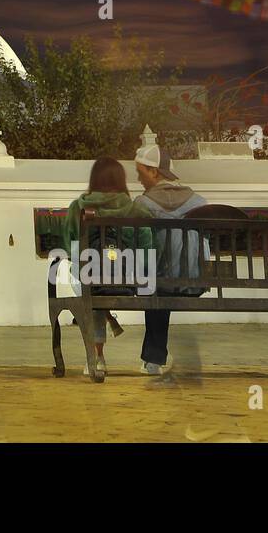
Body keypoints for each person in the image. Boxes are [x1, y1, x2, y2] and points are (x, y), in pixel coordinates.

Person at [59, 156, 153, 375]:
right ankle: (107, 315)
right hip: (130, 280)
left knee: (89, 286)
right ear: (121, 180)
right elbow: (148, 244)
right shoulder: (134, 209)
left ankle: (98, 357)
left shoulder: (77, 207)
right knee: (100, 282)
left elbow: (67, 245)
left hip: (88, 280)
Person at [132, 144, 210, 375]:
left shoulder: (142, 204)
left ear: (154, 172)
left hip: (160, 283)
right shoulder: (199, 202)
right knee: (158, 283)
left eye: (141, 172)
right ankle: (152, 359)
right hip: (193, 281)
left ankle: (154, 359)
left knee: (154, 284)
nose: (138, 178)